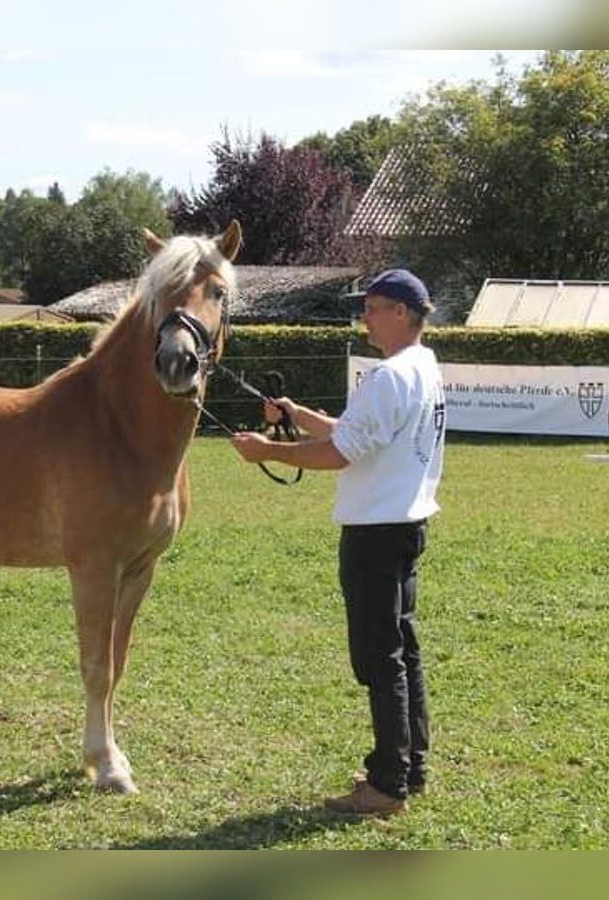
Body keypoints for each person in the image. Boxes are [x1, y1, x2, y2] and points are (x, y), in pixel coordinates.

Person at [229, 268, 446, 817]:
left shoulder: (388, 378)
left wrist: (268, 450)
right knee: (402, 651)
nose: (364, 316)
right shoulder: (423, 367)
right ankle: (409, 766)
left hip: (375, 533)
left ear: (401, 311)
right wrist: (297, 416)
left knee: (380, 660)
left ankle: (386, 784)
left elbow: (340, 454)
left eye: (373, 307)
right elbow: (355, 433)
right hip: (406, 524)